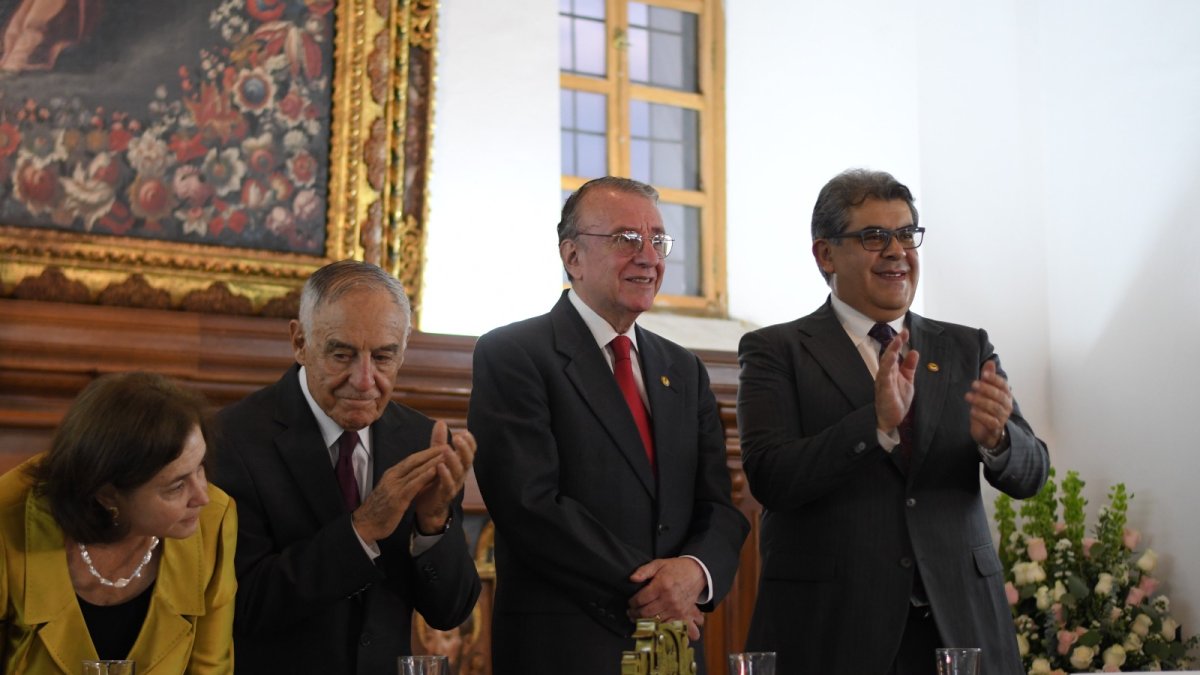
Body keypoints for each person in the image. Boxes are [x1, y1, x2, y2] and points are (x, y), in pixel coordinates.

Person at [736, 168, 1050, 675]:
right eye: (874, 236)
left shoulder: (965, 347)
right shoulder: (777, 351)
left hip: (959, 627)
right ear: (825, 254)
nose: (897, 251)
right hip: (833, 631)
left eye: (907, 234)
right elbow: (772, 477)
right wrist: (876, 426)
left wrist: (998, 441)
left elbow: (1033, 473)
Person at [470, 176, 750, 674]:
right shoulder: (514, 354)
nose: (648, 256)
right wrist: (659, 589)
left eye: (657, 239)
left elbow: (719, 507)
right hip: (568, 646)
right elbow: (530, 504)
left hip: (674, 648)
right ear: (572, 256)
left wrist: (694, 573)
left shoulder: (683, 370)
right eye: (625, 239)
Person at [210, 260, 481, 674]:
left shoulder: (423, 441)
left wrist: (433, 522)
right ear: (299, 341)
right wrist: (361, 530)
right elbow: (244, 604)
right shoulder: (231, 440)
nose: (365, 380)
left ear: (404, 349)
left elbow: (451, 611)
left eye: (384, 357)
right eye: (342, 354)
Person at [0, 371, 236, 673]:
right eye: (176, 486)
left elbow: (211, 668)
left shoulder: (213, 520)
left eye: (200, 467)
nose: (202, 496)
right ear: (107, 495)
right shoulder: (8, 518)